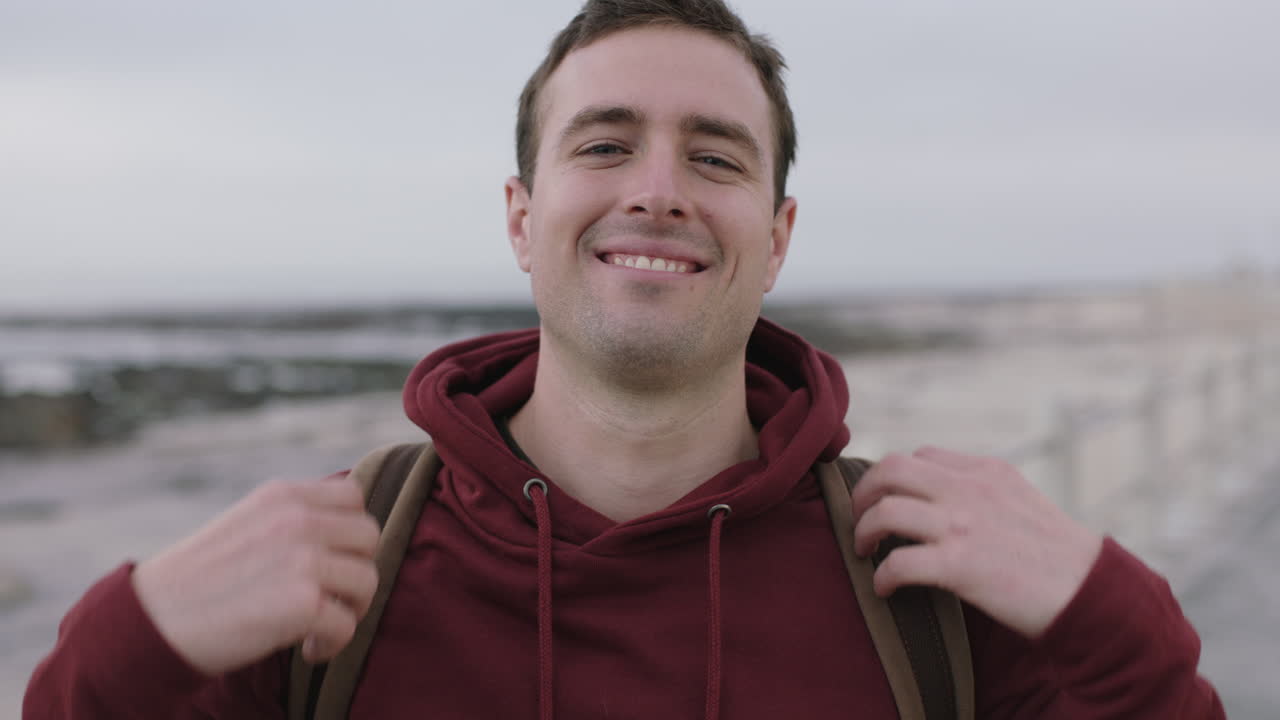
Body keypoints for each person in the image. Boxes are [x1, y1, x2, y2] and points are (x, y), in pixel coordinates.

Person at [26, 0, 1224, 717]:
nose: (655, 190)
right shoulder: (324, 582)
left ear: (777, 238)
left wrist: (1111, 614)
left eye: (713, 159)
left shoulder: (929, 592)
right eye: (604, 145)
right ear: (517, 217)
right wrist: (119, 647)